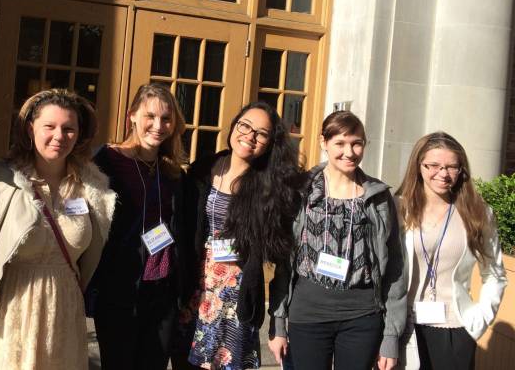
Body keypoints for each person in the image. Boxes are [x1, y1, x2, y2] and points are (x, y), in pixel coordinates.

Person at [0, 89, 116, 370]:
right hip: (12, 312)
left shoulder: (90, 187)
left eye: (68, 129)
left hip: (66, 311)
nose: (59, 136)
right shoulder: (2, 182)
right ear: (30, 129)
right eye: (49, 126)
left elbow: (90, 257)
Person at [275, 110, 407, 370]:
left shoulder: (378, 197)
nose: (350, 152)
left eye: (357, 143)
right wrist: (278, 323)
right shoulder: (300, 192)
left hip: (362, 317)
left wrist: (391, 335)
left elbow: (395, 268)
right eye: (340, 143)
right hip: (308, 314)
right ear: (323, 142)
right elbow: (284, 261)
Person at [175, 101, 302, 370]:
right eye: (245, 126)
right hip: (195, 290)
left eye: (262, 133)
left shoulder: (270, 187)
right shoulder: (202, 170)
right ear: (234, 126)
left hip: (236, 298)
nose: (250, 136)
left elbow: (281, 254)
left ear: (270, 143)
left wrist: (278, 321)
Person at [88, 84, 187, 370]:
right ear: (132, 116)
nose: (158, 126)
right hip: (119, 289)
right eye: (150, 116)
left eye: (166, 119)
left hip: (162, 290)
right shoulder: (106, 161)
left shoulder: (172, 171)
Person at [396, 132, 507, 370]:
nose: (443, 173)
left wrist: (478, 321)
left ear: (461, 170)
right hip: (403, 326)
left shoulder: (477, 213)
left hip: (455, 329)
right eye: (434, 165)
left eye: (452, 167)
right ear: (418, 166)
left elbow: (495, 274)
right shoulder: (399, 209)